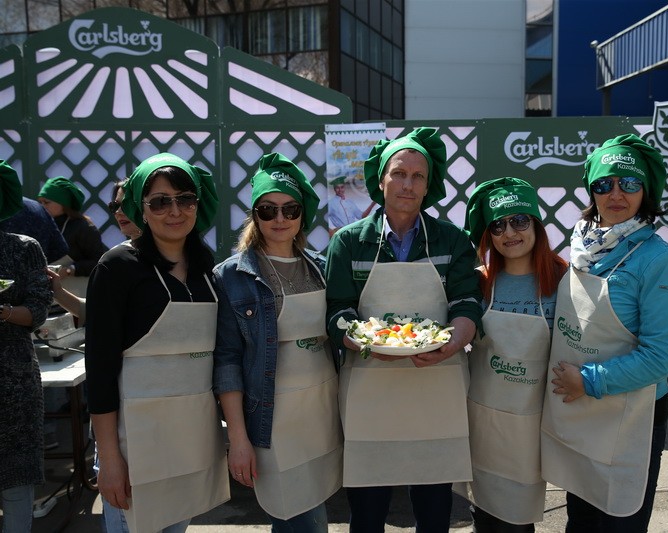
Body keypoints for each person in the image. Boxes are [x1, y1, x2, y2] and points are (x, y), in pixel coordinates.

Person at [325, 127, 483, 532]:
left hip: (436, 390)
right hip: (370, 394)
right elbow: (338, 310)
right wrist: (361, 340)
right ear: (380, 180)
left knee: (434, 511)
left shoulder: (452, 240)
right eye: (398, 173)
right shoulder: (348, 243)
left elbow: (466, 303)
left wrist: (454, 341)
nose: (407, 185)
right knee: (367, 513)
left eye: (418, 176)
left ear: (429, 186)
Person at [540, 134, 668, 532]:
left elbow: (660, 358)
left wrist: (588, 380)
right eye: (604, 184)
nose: (616, 193)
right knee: (581, 517)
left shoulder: (660, 260)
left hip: (629, 413)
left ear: (646, 190)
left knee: (619, 519)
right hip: (579, 406)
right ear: (592, 191)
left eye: (629, 183)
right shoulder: (582, 246)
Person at [85, 153, 229, 533]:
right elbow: (99, 372)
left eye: (185, 199)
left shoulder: (206, 270)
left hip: (191, 440)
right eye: (160, 202)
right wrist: (109, 459)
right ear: (142, 209)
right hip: (135, 446)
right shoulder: (117, 268)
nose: (174, 211)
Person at [213, 153, 342, 532]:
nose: (280, 218)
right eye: (268, 210)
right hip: (273, 423)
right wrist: (238, 439)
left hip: (323, 414)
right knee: (296, 519)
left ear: (302, 214)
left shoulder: (322, 267)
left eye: (290, 209)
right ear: (255, 216)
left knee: (310, 516)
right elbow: (227, 362)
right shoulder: (232, 276)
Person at [455, 177, 567, 532]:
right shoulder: (478, 282)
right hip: (483, 421)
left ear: (536, 225)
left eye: (519, 220)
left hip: (531, 427)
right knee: (484, 514)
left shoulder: (564, 281)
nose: (509, 233)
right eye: (498, 225)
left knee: (518, 521)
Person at [0, 160, 52, 533]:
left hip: (13, 384)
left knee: (16, 484)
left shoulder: (23, 248)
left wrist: (3, 311)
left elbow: (37, 311)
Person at [49, 179, 143, 325]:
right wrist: (57, 291)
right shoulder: (116, 259)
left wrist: (70, 270)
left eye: (127, 205)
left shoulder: (83, 228)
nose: (118, 212)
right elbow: (98, 310)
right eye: (114, 206)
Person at [37, 176, 108, 296]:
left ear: (63, 203)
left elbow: (99, 262)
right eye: (40, 202)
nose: (42, 206)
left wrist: (70, 270)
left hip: (78, 294)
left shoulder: (84, 227)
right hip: (48, 294)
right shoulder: (40, 225)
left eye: (47, 202)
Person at [0, 196, 69, 264]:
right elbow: (59, 249)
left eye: (46, 202)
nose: (44, 204)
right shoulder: (36, 206)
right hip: (38, 268)